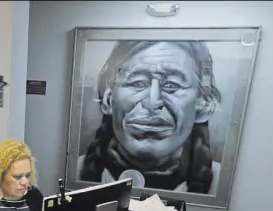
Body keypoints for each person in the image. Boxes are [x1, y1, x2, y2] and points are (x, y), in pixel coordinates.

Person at [78, 40, 222, 194]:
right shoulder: (78, 171)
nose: (152, 103)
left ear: (204, 106)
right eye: (138, 83)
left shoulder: (218, 182)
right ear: (108, 99)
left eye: (172, 85)